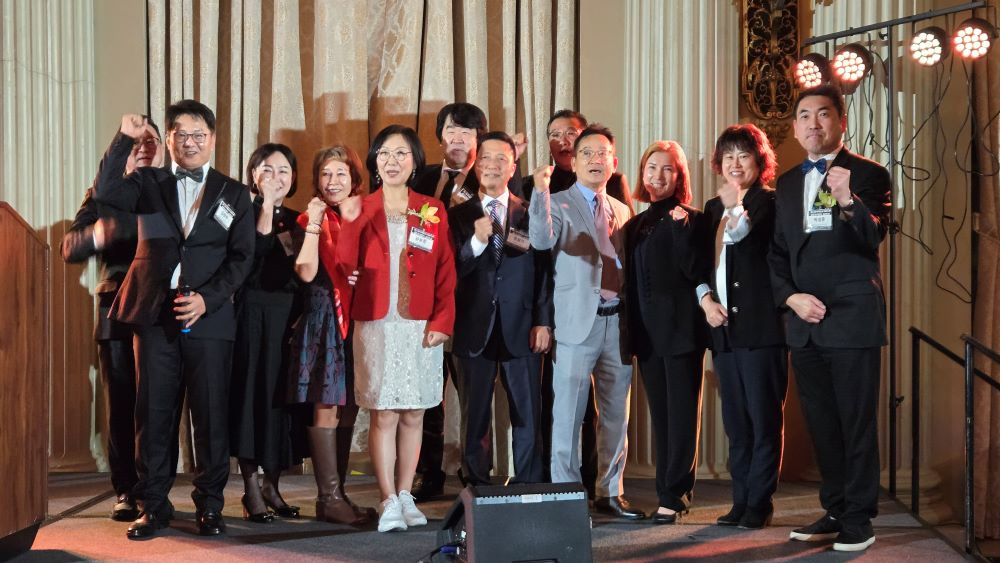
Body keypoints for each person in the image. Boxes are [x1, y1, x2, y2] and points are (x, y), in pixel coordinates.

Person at [94, 101, 255, 540]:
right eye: (181, 134)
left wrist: (208, 299)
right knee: (153, 413)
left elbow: (242, 259)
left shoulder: (234, 193)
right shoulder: (149, 182)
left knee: (210, 414)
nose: (190, 142)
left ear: (213, 139)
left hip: (209, 317)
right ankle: (153, 505)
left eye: (199, 134)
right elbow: (106, 192)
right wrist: (124, 138)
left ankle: (210, 505)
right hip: (154, 314)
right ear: (168, 140)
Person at [768, 84, 891, 552]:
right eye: (804, 115)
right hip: (805, 322)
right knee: (822, 424)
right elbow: (777, 254)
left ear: (841, 121)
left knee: (855, 423)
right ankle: (836, 508)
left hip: (852, 317)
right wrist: (792, 298)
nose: (813, 123)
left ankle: (860, 518)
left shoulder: (870, 174)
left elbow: (872, 238)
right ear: (796, 127)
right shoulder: (786, 183)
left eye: (822, 114)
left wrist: (846, 199)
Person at [337, 125, 456, 532]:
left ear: (415, 162)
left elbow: (445, 269)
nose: (393, 161)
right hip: (376, 323)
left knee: (415, 412)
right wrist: (349, 221)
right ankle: (387, 497)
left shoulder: (431, 209)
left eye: (401, 153)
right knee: (384, 413)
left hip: (419, 324)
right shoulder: (359, 206)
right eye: (385, 154)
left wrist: (442, 321)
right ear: (374, 162)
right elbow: (344, 264)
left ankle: (406, 494)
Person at [528, 125, 643, 520]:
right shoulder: (556, 203)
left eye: (603, 153)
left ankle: (611, 492)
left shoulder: (622, 210)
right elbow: (541, 241)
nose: (596, 160)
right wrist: (540, 193)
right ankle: (566, 496)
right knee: (568, 416)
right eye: (587, 153)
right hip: (576, 325)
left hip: (617, 324)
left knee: (616, 416)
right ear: (574, 162)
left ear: (614, 162)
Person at [61, 118, 164, 522]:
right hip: (116, 306)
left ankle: (155, 488)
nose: (144, 148)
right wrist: (97, 236)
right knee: (122, 402)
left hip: (161, 308)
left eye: (151, 142)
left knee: (157, 403)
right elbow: (70, 247)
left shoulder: (170, 191)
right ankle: (125, 489)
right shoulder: (102, 195)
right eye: (137, 143)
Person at [696, 125, 786, 529]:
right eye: (728, 156)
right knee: (736, 423)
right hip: (724, 330)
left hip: (762, 328)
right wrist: (705, 300)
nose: (735, 163)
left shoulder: (770, 202)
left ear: (759, 161)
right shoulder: (712, 207)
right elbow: (700, 264)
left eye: (744, 155)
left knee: (762, 419)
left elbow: (745, 239)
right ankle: (741, 500)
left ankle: (759, 503)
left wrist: (734, 207)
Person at [449, 131, 552, 486]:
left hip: (521, 326)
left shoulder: (530, 211)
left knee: (527, 413)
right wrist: (476, 243)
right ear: (476, 165)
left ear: (513, 167)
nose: (492, 165)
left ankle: (528, 486)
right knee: (475, 414)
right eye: (485, 159)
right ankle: (476, 487)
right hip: (473, 326)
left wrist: (543, 322)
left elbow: (543, 271)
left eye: (501, 159)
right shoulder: (458, 216)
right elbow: (449, 271)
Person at [620, 140, 709, 524]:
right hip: (647, 337)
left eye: (667, 168)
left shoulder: (693, 219)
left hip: (682, 332)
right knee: (662, 417)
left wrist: (680, 230)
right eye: (651, 168)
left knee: (683, 416)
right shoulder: (634, 225)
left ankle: (675, 495)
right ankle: (665, 492)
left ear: (679, 176)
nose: (658, 175)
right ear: (642, 174)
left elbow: (695, 271)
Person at [287, 145, 374, 525]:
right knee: (327, 403)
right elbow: (306, 271)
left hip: (359, 318)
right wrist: (315, 221)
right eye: (325, 174)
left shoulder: (365, 216)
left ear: (354, 180)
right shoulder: (310, 218)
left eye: (340, 174)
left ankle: (338, 497)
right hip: (324, 317)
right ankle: (329, 497)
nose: (332, 181)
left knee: (349, 403)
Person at [410, 102, 487, 500]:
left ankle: (475, 472)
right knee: (427, 395)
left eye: (466, 133)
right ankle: (429, 472)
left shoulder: (490, 177)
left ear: (479, 140)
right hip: (423, 305)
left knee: (473, 394)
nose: (458, 140)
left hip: (470, 304)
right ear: (440, 137)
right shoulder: (420, 177)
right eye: (451, 131)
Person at [229, 143, 307, 524]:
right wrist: (266, 204)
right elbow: (254, 252)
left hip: (286, 320)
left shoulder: (298, 219)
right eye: (268, 170)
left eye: (284, 171)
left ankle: (272, 486)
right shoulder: (240, 214)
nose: (277, 178)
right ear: (254, 175)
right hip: (250, 318)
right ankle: (250, 489)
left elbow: (305, 271)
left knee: (280, 402)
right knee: (250, 399)